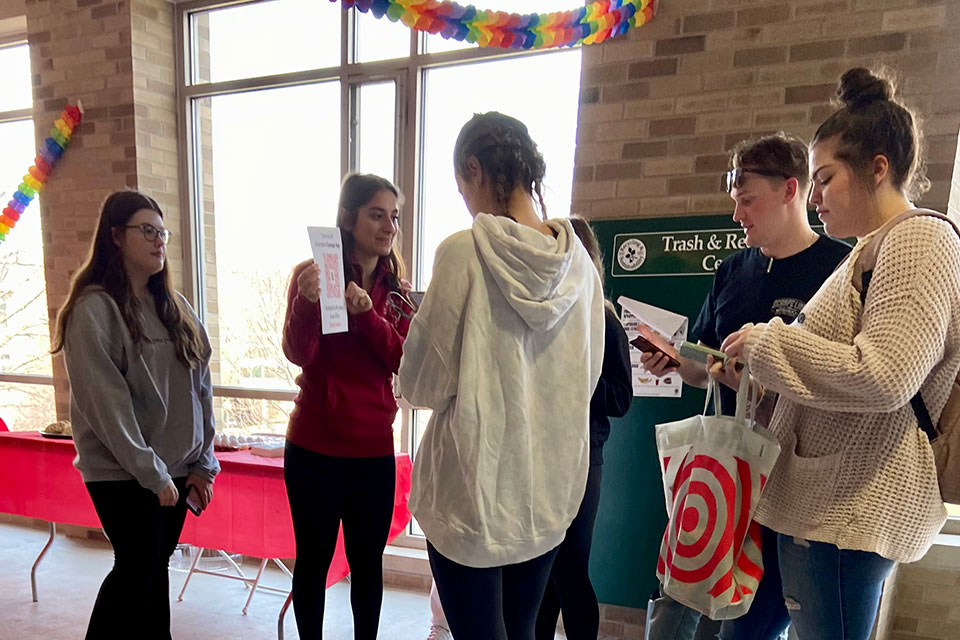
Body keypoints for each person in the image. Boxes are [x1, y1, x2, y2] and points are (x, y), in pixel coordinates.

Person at [719, 67, 960, 640]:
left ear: (877, 167)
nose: (817, 195)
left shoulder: (918, 239)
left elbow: (887, 375)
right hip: (824, 503)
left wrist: (769, 342)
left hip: (847, 511)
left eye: (825, 179)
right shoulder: (869, 250)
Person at [399, 111, 605, 640]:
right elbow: (590, 375)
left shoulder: (463, 253)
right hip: (546, 496)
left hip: (474, 491)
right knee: (522, 632)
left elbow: (421, 383)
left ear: (475, 170)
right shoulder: (580, 265)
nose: (465, 201)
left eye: (461, 185)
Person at [639, 133, 850, 640]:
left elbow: (842, 380)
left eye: (747, 200)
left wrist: (758, 379)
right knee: (681, 597)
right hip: (723, 471)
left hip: (793, 477)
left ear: (790, 190)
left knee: (754, 621)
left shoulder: (839, 268)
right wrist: (677, 363)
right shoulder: (734, 269)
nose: (737, 215)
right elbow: (703, 362)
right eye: (734, 201)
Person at [52, 190, 218, 640]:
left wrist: (205, 464)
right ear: (115, 237)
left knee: (153, 569)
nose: (158, 240)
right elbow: (107, 408)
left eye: (161, 231)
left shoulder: (177, 308)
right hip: (123, 474)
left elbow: (200, 392)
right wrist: (153, 474)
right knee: (135, 568)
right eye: (146, 230)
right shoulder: (94, 310)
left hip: (178, 471)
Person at [282, 173, 411, 640]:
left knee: (367, 566)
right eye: (377, 214)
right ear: (348, 218)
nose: (388, 227)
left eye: (393, 217)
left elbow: (402, 359)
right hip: (314, 447)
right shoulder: (311, 273)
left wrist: (367, 316)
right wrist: (307, 303)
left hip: (373, 452)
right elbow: (299, 352)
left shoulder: (397, 291)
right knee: (313, 562)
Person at [534, 217, 633, 640]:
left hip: (582, 457)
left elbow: (620, 397)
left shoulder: (604, 320)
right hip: (538, 454)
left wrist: (576, 377)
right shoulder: (541, 314)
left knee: (570, 571)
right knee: (540, 578)